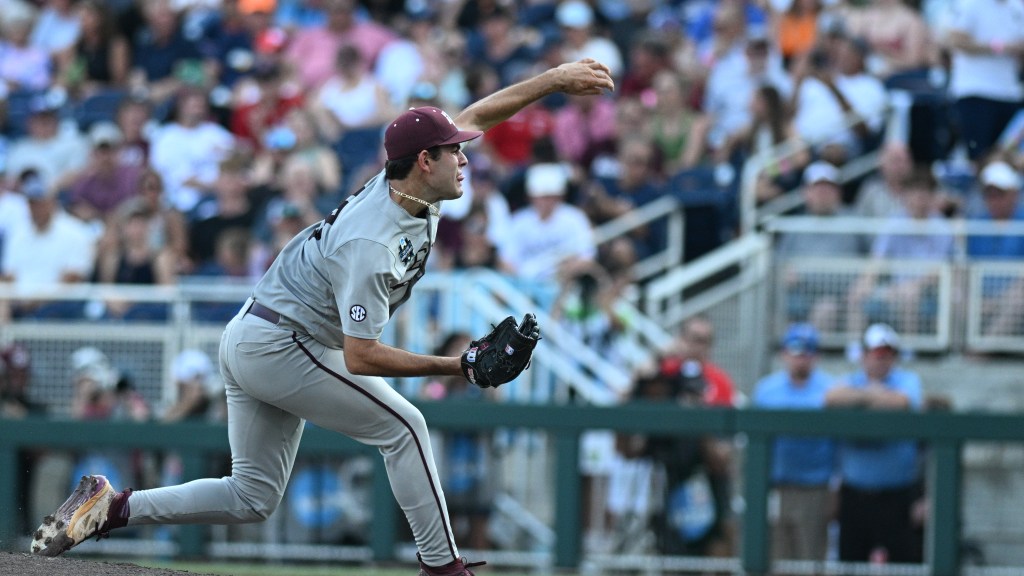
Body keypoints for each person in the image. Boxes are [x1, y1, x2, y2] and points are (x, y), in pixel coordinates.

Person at [31, 59, 615, 576]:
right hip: (284, 344)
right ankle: (444, 568)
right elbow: (359, 355)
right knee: (405, 426)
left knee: (251, 496)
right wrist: (460, 366)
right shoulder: (371, 243)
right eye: (454, 150)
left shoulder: (412, 184)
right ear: (423, 161)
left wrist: (554, 80)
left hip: (261, 334)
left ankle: (114, 508)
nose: (465, 157)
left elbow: (481, 110)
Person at [825, 323, 924, 564]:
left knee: (904, 565)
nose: (882, 360)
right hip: (854, 494)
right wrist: (875, 394)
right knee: (851, 563)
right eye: (877, 353)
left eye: (888, 354)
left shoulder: (908, 380)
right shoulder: (849, 380)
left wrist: (860, 399)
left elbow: (902, 402)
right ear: (864, 355)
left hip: (898, 495)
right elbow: (831, 398)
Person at [752, 323, 836, 562]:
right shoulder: (767, 390)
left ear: (816, 355)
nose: (801, 357)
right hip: (776, 486)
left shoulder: (830, 389)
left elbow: (839, 445)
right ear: (785, 353)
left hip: (815, 488)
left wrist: (835, 487)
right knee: (775, 556)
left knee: (810, 558)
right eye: (796, 349)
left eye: (808, 350)